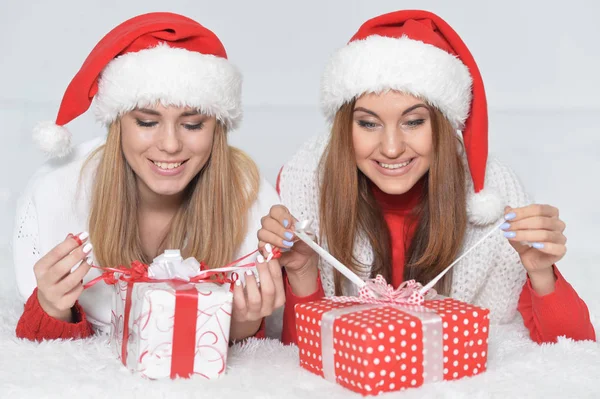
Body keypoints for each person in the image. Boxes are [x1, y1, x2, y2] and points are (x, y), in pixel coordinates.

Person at [257, 10, 596, 345]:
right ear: (345, 128)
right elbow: (298, 363)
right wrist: (302, 274)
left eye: (414, 122)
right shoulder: (305, 191)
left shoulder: (495, 196)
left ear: (445, 127)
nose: (391, 148)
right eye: (368, 123)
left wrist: (540, 273)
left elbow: (570, 354)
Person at [14, 12, 283, 342]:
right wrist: (51, 307)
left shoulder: (253, 201)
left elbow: (256, 363)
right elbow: (44, 365)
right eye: (146, 122)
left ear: (217, 128)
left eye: (193, 124)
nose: (170, 145)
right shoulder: (58, 193)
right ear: (117, 124)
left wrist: (241, 325)